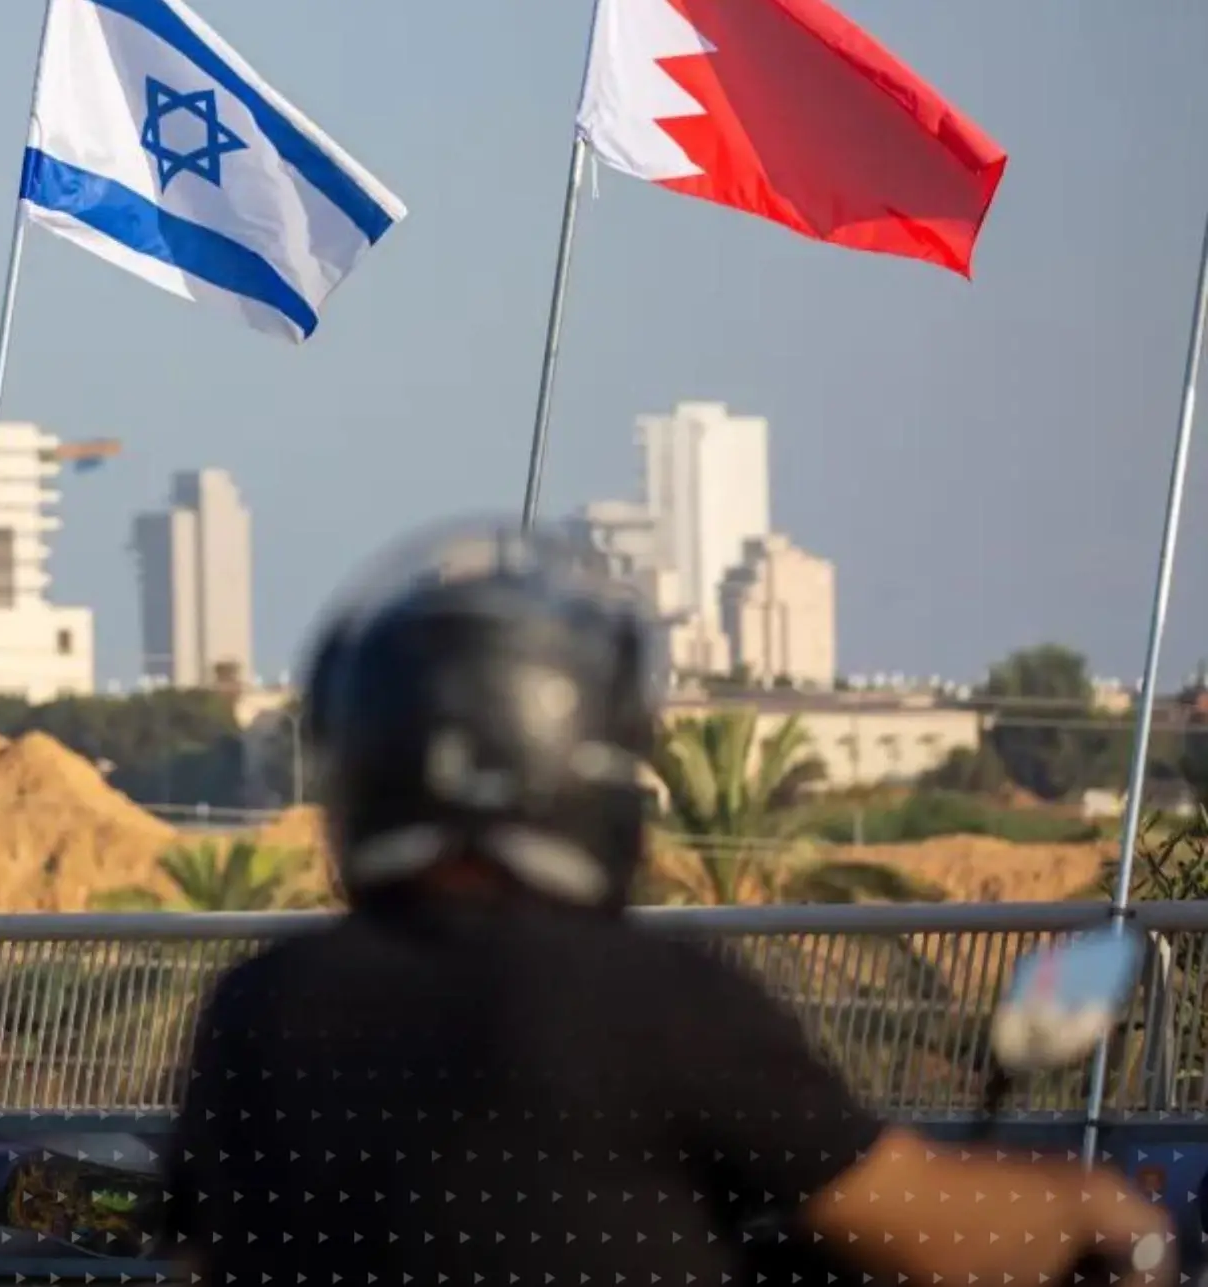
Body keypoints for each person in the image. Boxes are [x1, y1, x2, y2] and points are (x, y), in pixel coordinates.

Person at [162, 518, 1177, 1287]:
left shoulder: (257, 1013)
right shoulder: (651, 1002)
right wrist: (1098, 1212)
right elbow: (923, 1226)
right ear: (588, 766)